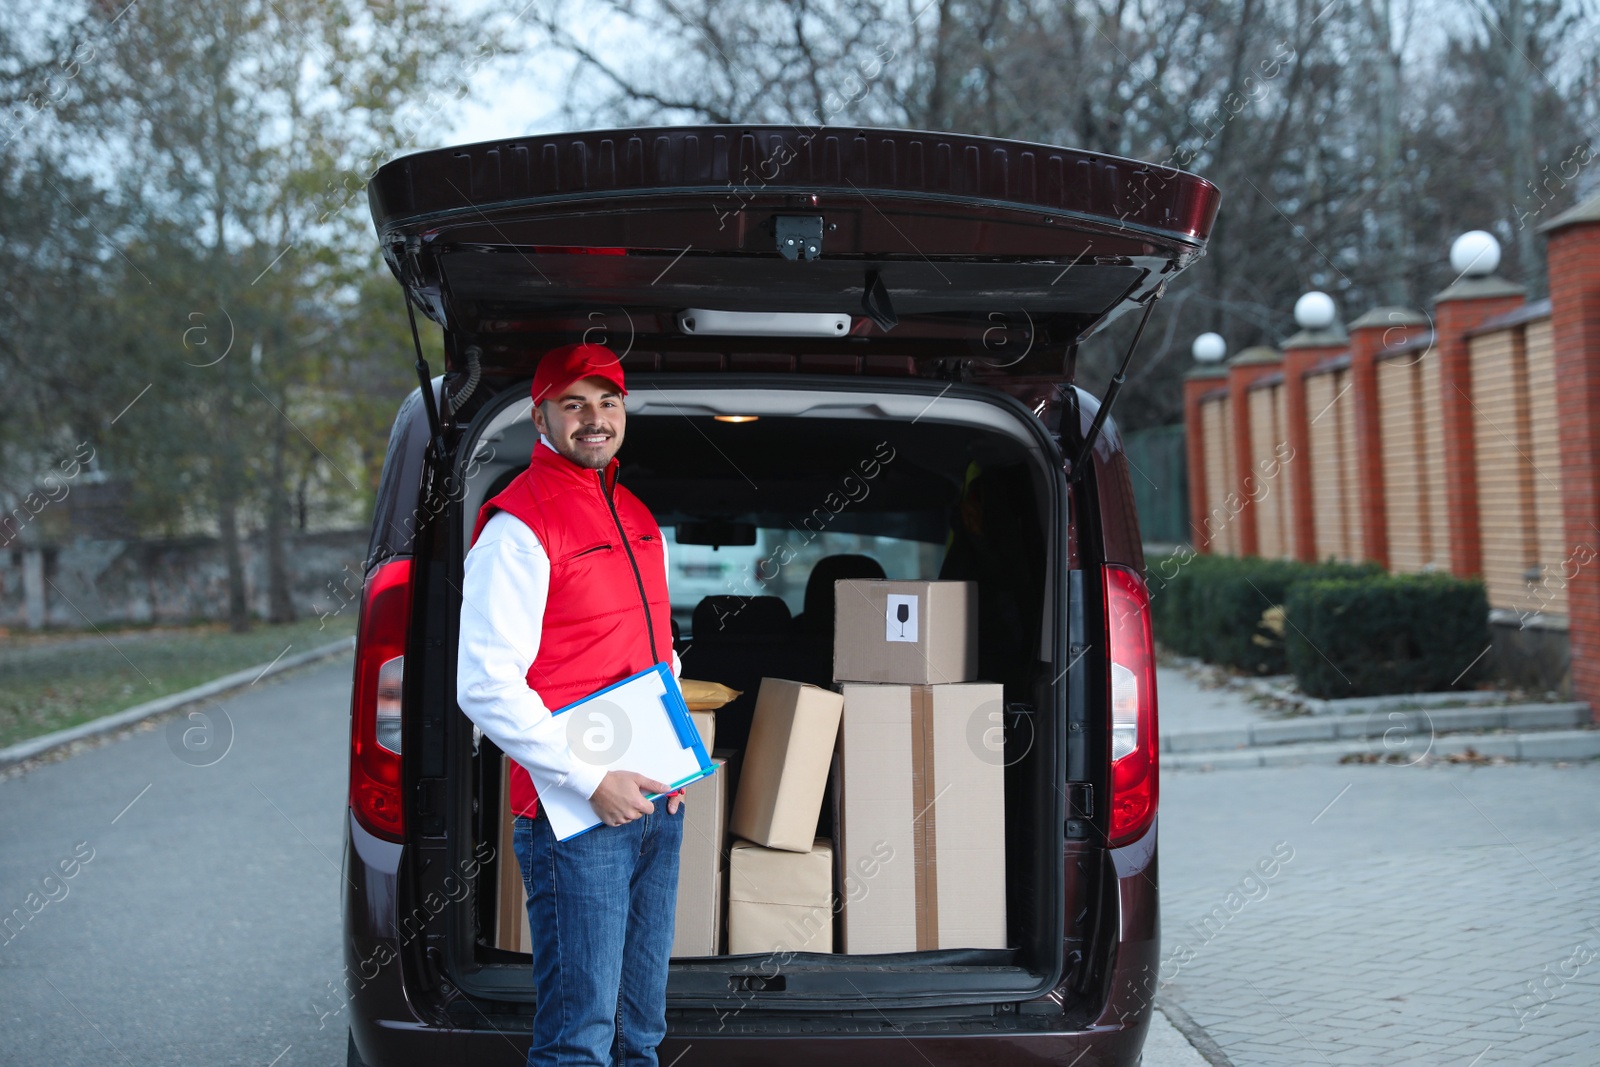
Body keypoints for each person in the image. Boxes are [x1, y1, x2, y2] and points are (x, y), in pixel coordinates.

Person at [456, 341, 684, 1067]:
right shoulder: (517, 524)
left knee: (639, 1029)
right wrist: (592, 778)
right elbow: (485, 683)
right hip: (575, 813)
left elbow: (657, 651)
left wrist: (673, 757)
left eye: (607, 401)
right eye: (574, 403)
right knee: (578, 1038)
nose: (595, 418)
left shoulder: (638, 514)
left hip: (653, 796)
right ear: (541, 416)